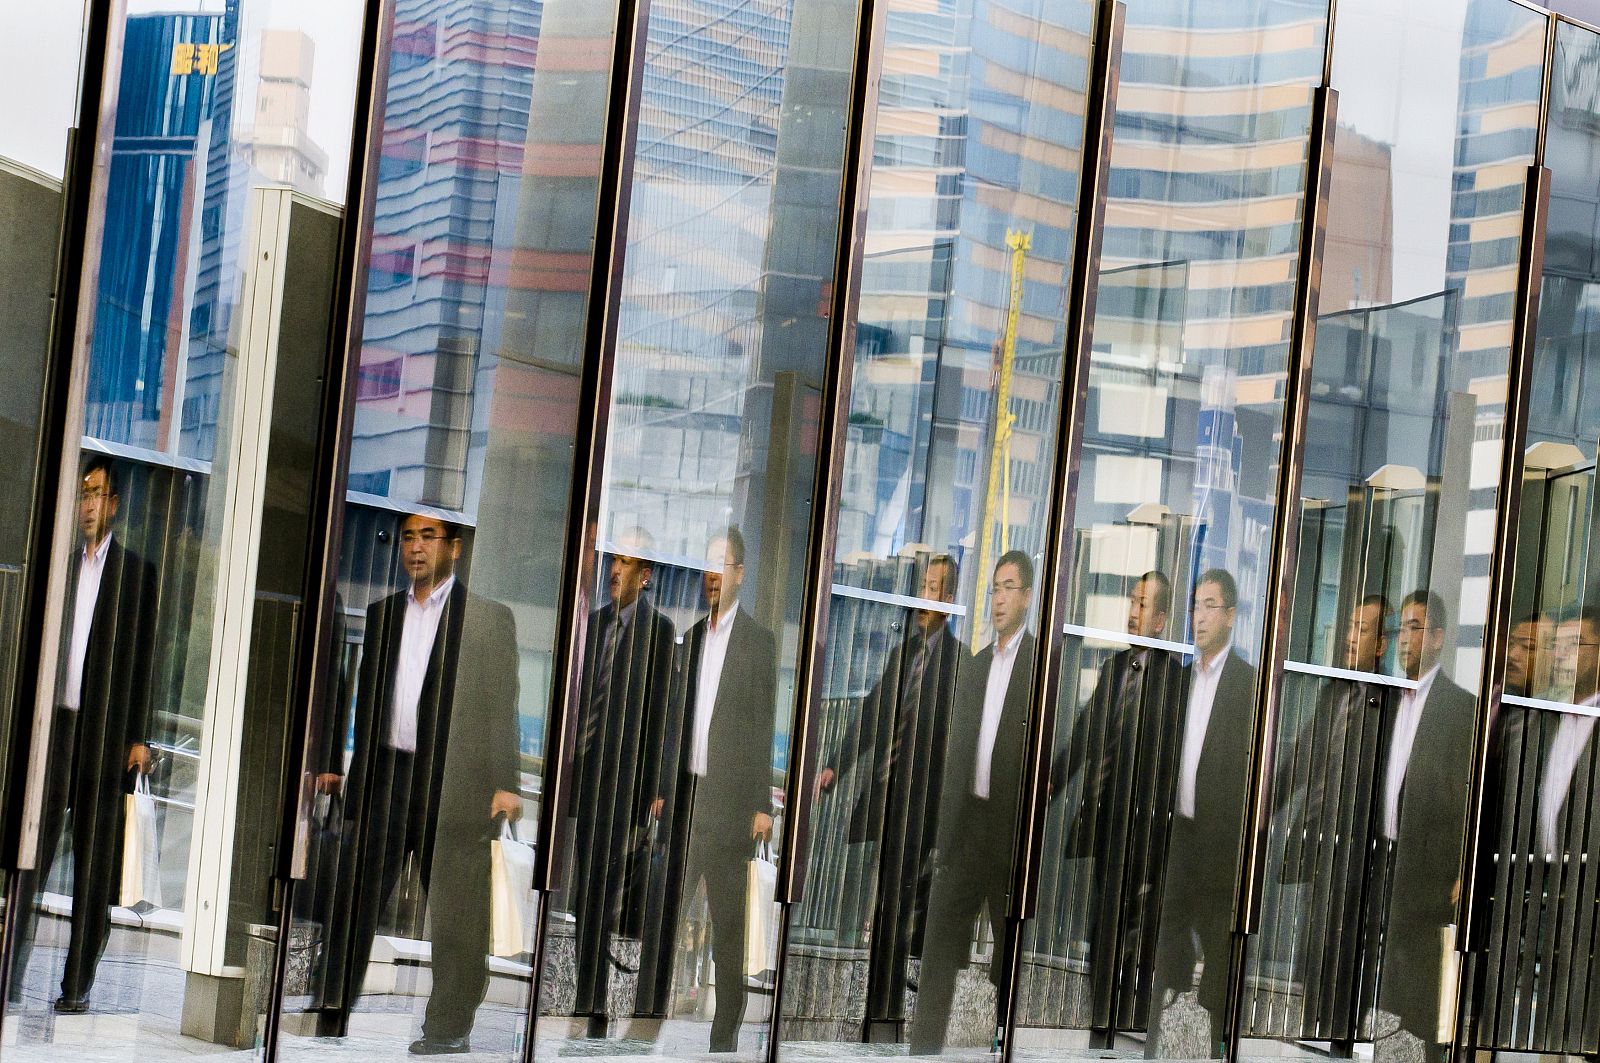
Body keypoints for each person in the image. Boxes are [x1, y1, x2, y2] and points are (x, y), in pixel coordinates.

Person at [315, 514, 521, 1055]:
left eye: (428, 537)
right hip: (386, 777)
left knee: (455, 918)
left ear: (454, 548)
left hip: (451, 787)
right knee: (353, 902)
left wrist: (505, 783)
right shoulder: (384, 614)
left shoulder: (486, 619)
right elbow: (369, 698)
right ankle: (330, 1009)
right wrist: (350, 773)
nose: (416, 547)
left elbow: (502, 705)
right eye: (408, 537)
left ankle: (448, 1028)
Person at [10, 457, 157, 1013]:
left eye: (96, 494)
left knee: (93, 872)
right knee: (32, 854)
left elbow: (146, 659)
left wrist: (139, 737)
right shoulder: (60, 567)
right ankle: (9, 971)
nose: (88, 504)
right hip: (57, 731)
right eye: (82, 495)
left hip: (106, 738)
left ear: (114, 504)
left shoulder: (136, 574)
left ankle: (76, 987)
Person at [815, 554, 961, 1031]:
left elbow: (952, 750)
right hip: (883, 795)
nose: (924, 597)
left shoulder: (958, 664)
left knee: (899, 903)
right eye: (923, 586)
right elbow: (871, 714)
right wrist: (835, 765)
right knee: (873, 898)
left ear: (949, 599)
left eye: (934, 588)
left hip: (920, 806)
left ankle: (888, 1002)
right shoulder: (903, 655)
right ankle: (870, 991)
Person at [908, 549, 1037, 1055]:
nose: (999, 599)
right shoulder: (976, 666)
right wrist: (944, 835)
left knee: (1008, 954)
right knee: (940, 936)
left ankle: (1005, 1048)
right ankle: (923, 1047)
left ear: (1027, 597)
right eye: (994, 589)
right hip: (968, 829)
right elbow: (958, 756)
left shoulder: (1042, 666)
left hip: (1011, 834)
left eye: (1008, 588)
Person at [659, 527, 776, 1053]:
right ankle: (649, 1011)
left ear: (739, 574)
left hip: (731, 806)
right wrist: (664, 788)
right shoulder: (690, 639)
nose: (711, 575)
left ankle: (725, 1031)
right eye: (705, 566)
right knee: (668, 912)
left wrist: (760, 805)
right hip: (688, 801)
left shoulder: (757, 643)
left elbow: (760, 727)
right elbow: (675, 722)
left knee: (728, 929)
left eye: (720, 565)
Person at [1051, 570, 1184, 1031]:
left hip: (1145, 827)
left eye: (1143, 604)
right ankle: (1102, 1015)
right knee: (1103, 924)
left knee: (1135, 927)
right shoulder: (1115, 669)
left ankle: (1131, 1017)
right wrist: (1049, 785)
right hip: (1105, 821)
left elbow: (1170, 764)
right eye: (1131, 601)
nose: (1132, 611)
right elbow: (1085, 734)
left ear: (1161, 620)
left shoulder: (1174, 681)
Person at [1268, 593, 1390, 1041]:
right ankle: (1312, 1024)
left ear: (1381, 645)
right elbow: (1302, 756)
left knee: (1345, 941)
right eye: (1349, 627)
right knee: (1314, 937)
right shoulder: (1334, 691)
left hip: (1358, 845)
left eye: (1362, 629)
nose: (1349, 637)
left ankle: (1340, 1030)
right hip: (1318, 837)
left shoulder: (1390, 700)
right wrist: (1266, 806)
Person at [568, 531, 676, 1035]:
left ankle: (594, 1001)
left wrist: (657, 786)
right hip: (584, 777)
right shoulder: (591, 624)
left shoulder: (659, 632)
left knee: (604, 891)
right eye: (613, 560)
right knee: (583, 891)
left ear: (645, 575)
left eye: (626, 562)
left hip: (626, 784)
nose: (614, 570)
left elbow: (664, 712)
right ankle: (587, 995)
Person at [1148, 568, 1257, 1060]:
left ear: (1230, 616)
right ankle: (1158, 1033)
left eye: (1210, 606)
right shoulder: (1177, 680)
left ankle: (1217, 1046)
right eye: (1196, 606)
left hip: (1222, 841)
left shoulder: (1247, 684)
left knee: (1219, 946)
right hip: (1179, 835)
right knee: (1166, 928)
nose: (1200, 616)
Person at [1371, 589, 1475, 1063]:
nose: (1404, 639)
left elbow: (1466, 797)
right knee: (1387, 983)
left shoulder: (1459, 708)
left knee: (1423, 987)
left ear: (1437, 638)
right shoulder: (1388, 698)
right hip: (1386, 857)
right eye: (1400, 630)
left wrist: (1460, 868)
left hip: (1431, 868)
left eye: (1415, 629)